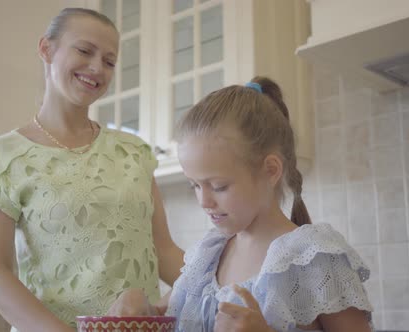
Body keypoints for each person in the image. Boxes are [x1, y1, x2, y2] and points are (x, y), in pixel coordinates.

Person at [0, 8, 183, 332]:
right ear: (46, 49)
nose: (97, 68)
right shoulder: (1, 158)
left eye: (109, 61)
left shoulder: (134, 151)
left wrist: (227, 281)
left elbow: (163, 250)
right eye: (84, 50)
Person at [110, 77, 374, 332]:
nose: (204, 201)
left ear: (270, 171)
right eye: (195, 186)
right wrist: (137, 303)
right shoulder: (207, 257)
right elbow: (158, 315)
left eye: (219, 186)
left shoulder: (315, 258)